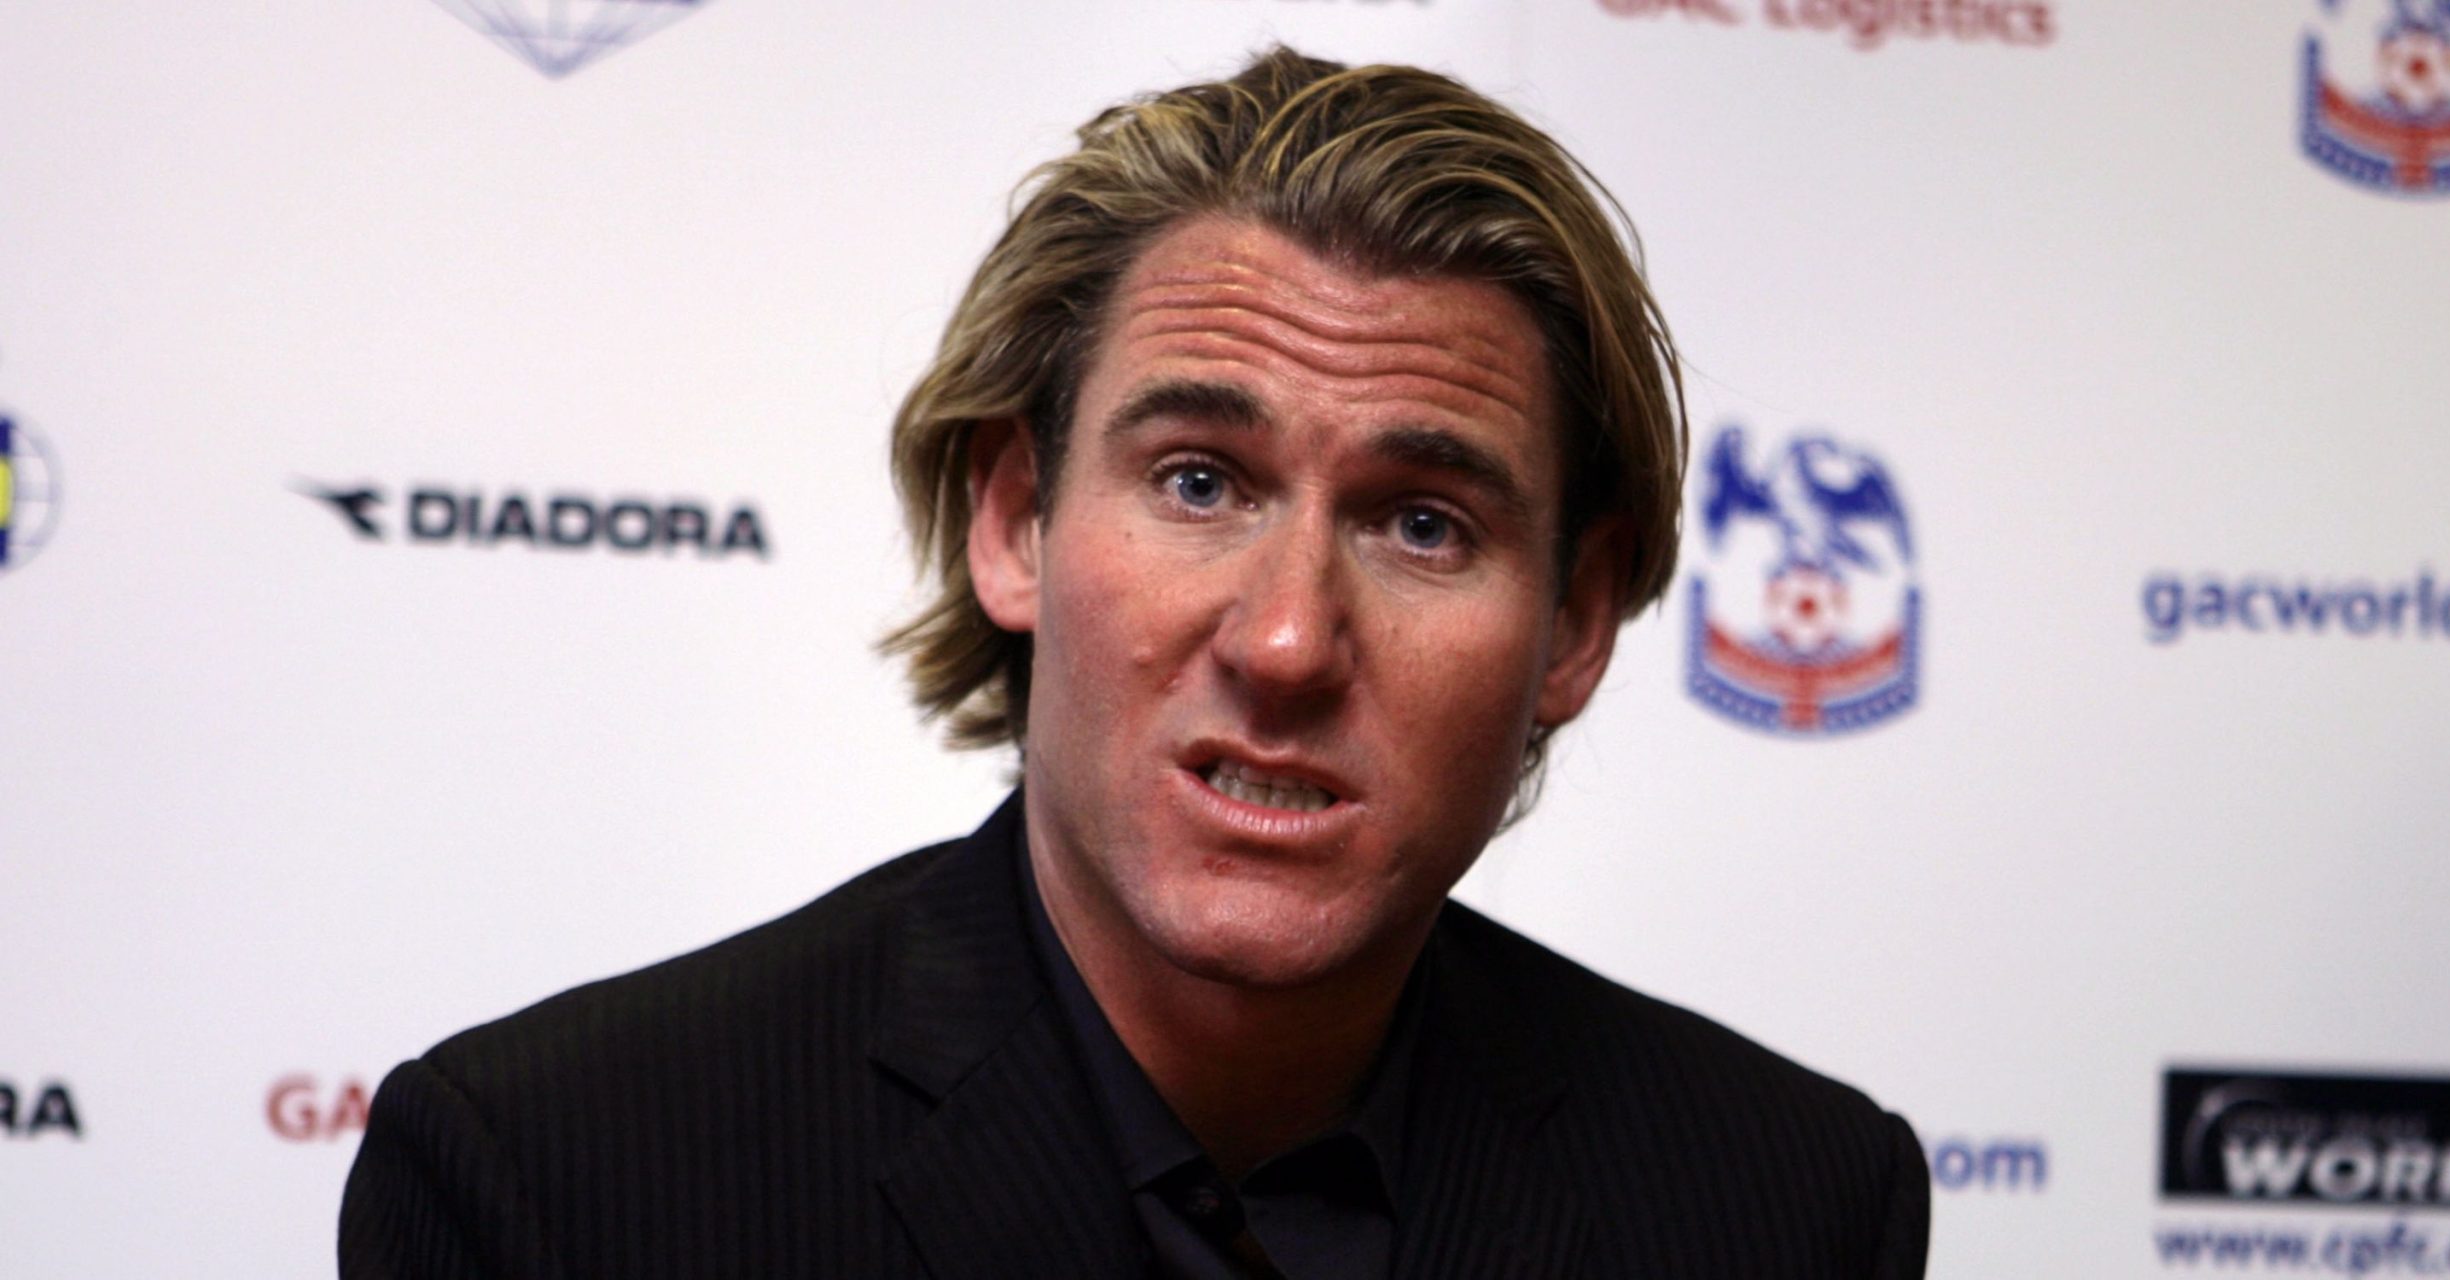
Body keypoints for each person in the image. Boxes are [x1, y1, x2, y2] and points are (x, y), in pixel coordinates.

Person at [341, 47, 1929, 1279]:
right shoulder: (558, 1183)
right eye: (1199, 483)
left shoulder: (1786, 1205)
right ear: (1015, 522)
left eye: (1422, 524)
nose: (1289, 640)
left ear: (1574, 624)